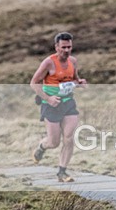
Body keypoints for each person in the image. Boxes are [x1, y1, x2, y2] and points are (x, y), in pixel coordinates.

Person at [30, 32, 87, 182]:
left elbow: (74, 79)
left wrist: (80, 83)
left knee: (69, 138)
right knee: (54, 142)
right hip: (51, 105)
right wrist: (48, 99)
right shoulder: (48, 62)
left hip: (68, 103)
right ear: (56, 47)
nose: (67, 50)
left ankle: (62, 172)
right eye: (63, 47)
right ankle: (42, 146)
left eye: (69, 47)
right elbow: (34, 83)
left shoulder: (73, 61)